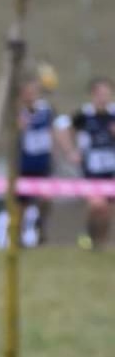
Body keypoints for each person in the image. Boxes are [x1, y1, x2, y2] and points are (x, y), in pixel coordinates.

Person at [55, 76, 115, 251]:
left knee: (107, 211)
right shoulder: (84, 114)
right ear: (92, 95)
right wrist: (70, 152)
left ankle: (100, 243)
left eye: (106, 93)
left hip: (110, 170)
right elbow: (62, 130)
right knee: (97, 205)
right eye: (99, 93)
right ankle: (88, 236)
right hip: (90, 170)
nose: (103, 97)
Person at [16, 69, 56, 244]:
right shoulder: (17, 111)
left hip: (43, 163)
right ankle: (19, 237)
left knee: (45, 199)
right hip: (23, 163)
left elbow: (54, 131)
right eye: (27, 91)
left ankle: (41, 229)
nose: (30, 95)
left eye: (33, 91)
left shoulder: (46, 110)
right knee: (21, 204)